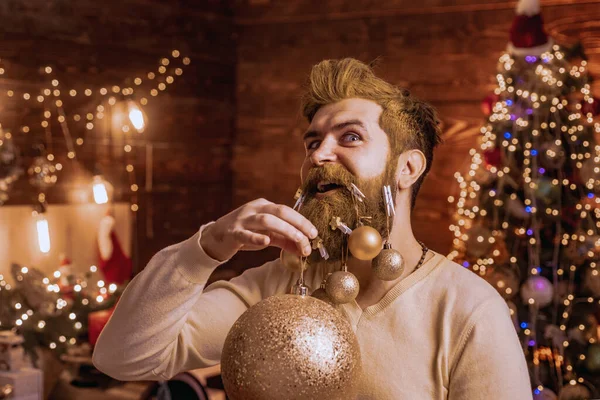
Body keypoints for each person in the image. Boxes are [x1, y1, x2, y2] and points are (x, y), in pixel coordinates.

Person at [93, 58, 532, 399]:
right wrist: (205, 247)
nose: (319, 154)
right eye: (313, 141)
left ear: (407, 168)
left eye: (351, 137)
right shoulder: (276, 288)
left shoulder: (469, 310)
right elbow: (122, 358)